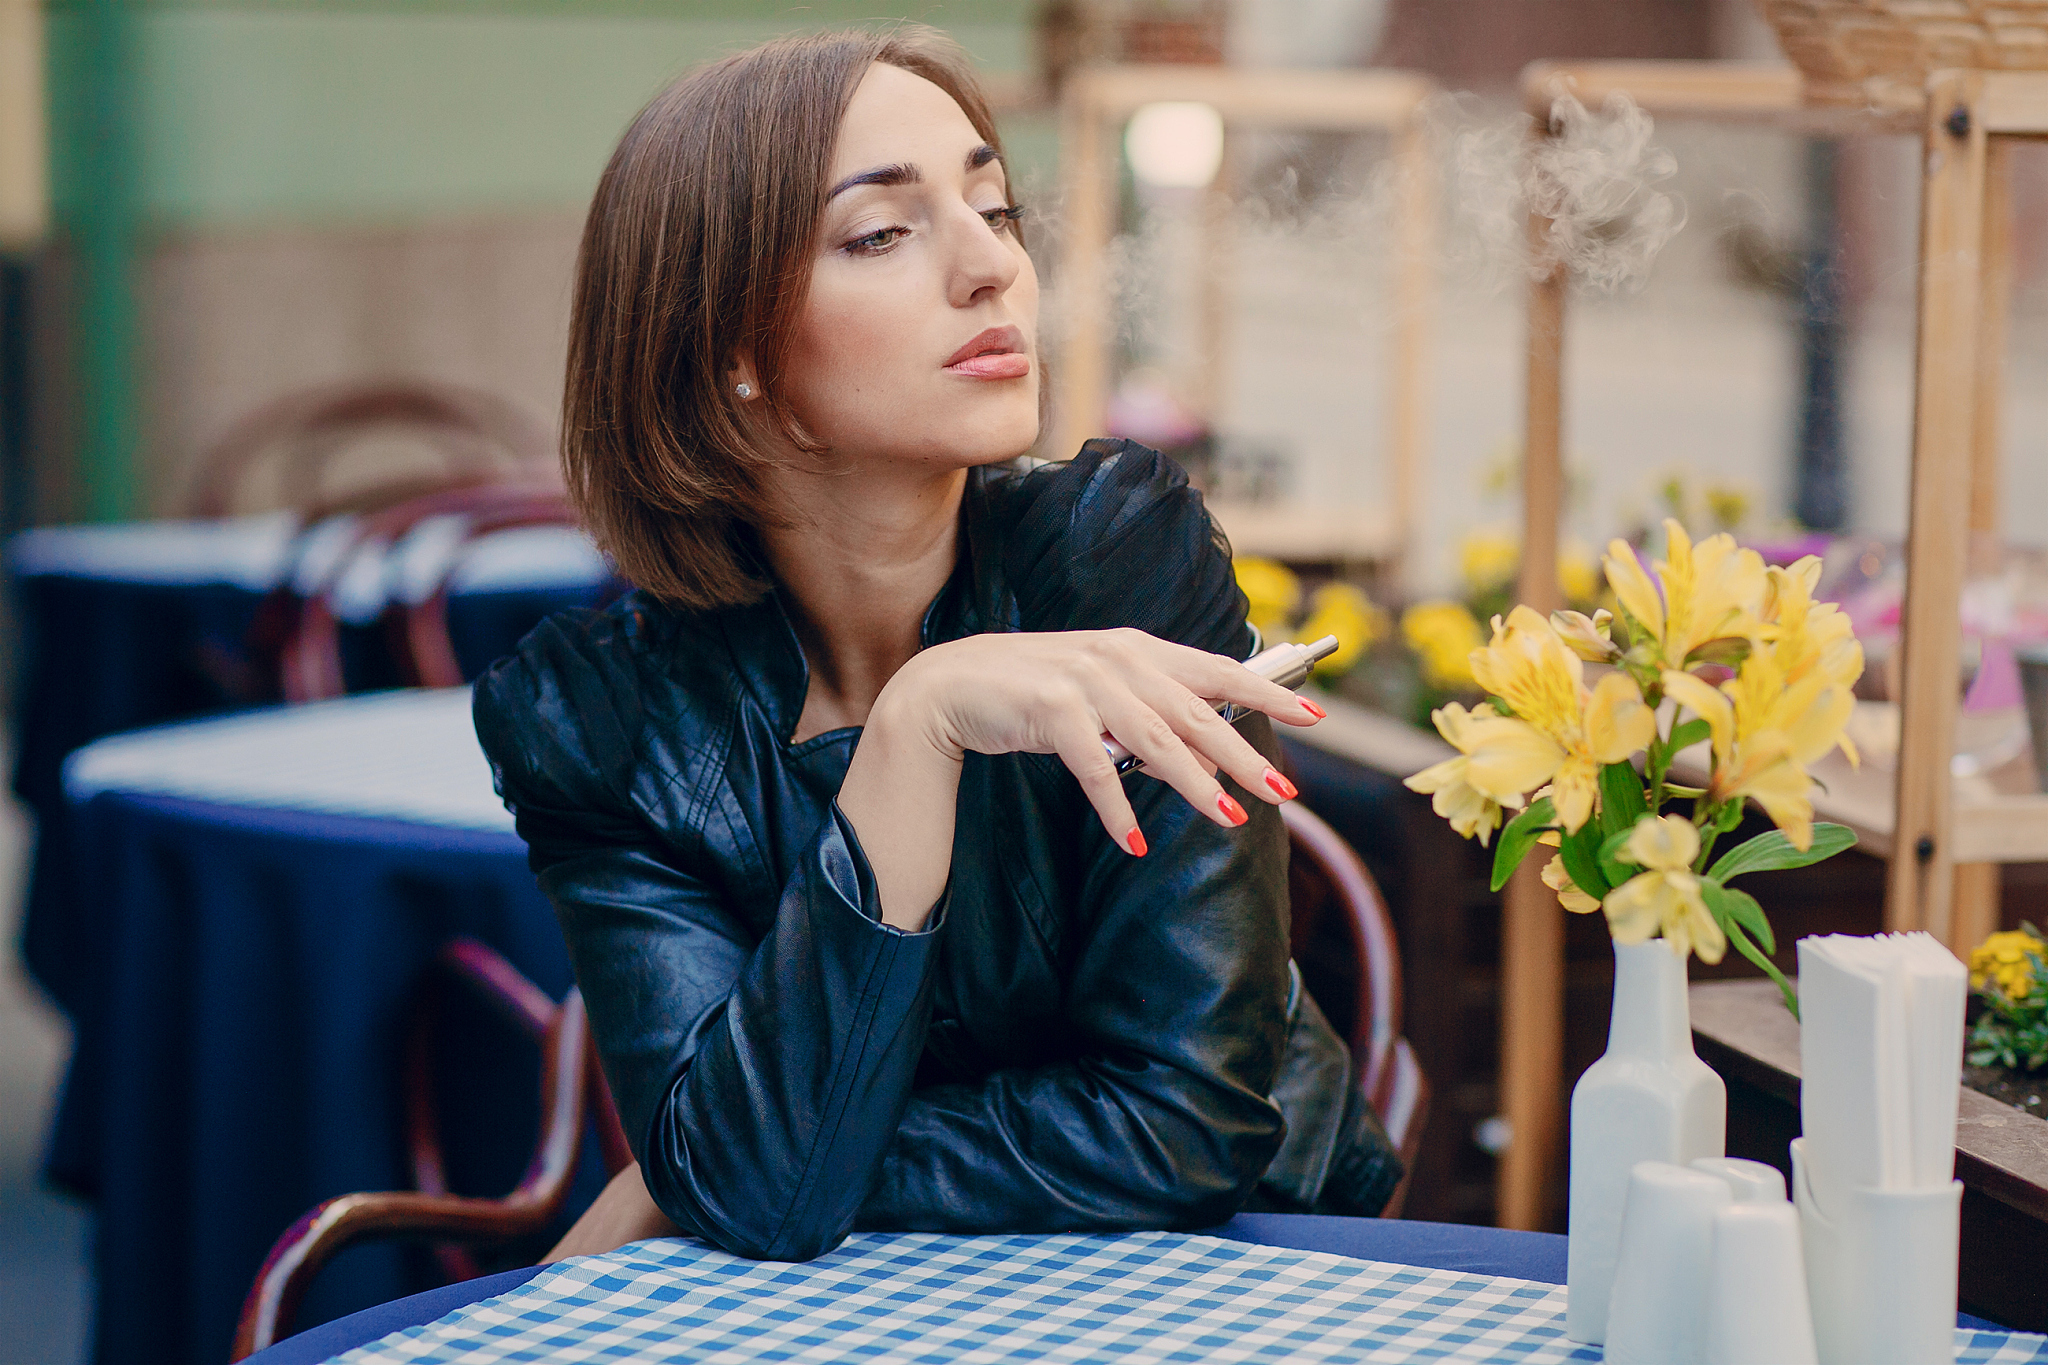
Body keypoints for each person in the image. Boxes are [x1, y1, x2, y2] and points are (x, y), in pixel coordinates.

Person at [472, 24, 1402, 1265]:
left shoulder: (1115, 560)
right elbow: (753, 1195)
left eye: (993, 208)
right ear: (730, 349)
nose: (991, 270)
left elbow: (1182, 1128)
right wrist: (918, 726)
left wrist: (705, 1171)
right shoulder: (601, 728)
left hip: (1239, 1269)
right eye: (881, 234)